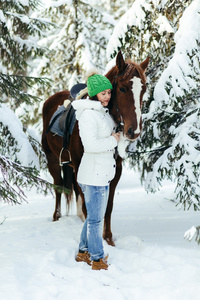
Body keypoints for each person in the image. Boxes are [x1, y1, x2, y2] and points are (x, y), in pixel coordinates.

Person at [72, 73, 120, 270]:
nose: (107, 96)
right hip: (94, 176)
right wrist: (113, 140)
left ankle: (83, 252)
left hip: (101, 173)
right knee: (95, 220)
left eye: (109, 92)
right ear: (93, 94)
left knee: (93, 216)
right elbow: (90, 145)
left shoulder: (102, 111)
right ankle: (97, 259)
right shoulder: (89, 115)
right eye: (103, 93)